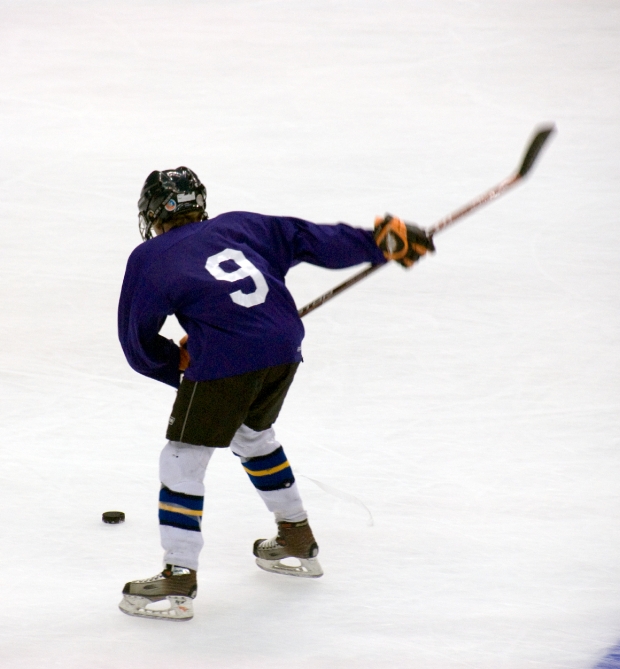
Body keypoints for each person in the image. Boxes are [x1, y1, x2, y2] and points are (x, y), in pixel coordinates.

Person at [116, 166, 434, 621]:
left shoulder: (149, 258)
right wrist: (377, 243)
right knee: (252, 433)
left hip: (228, 361)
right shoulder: (241, 224)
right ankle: (295, 537)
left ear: (152, 215)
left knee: (182, 458)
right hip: (283, 347)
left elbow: (137, 344)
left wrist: (181, 363)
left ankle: (179, 575)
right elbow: (309, 238)